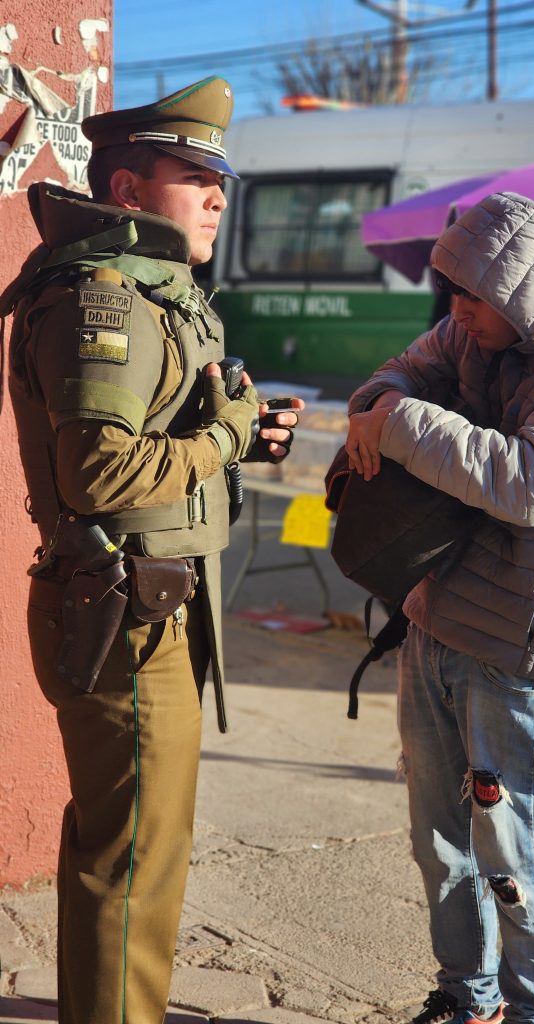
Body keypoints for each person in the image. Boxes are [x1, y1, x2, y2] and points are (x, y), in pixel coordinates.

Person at [0, 77, 303, 1024]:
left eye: (222, 178)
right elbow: (100, 474)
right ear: (128, 190)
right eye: (195, 174)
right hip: (127, 612)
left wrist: (241, 429)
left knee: (130, 846)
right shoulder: (110, 301)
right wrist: (226, 438)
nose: (219, 195)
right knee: (132, 862)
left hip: (146, 600)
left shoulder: (151, 289)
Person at [344, 192, 534, 1024]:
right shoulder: (473, 332)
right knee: (439, 842)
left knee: (515, 853)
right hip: (434, 614)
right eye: (453, 292)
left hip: (518, 653)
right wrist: (382, 402)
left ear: (524, 293)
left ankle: (533, 1013)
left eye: (473, 296)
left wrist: (398, 421)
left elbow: (533, 483)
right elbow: (394, 376)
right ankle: (466, 997)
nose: (457, 312)